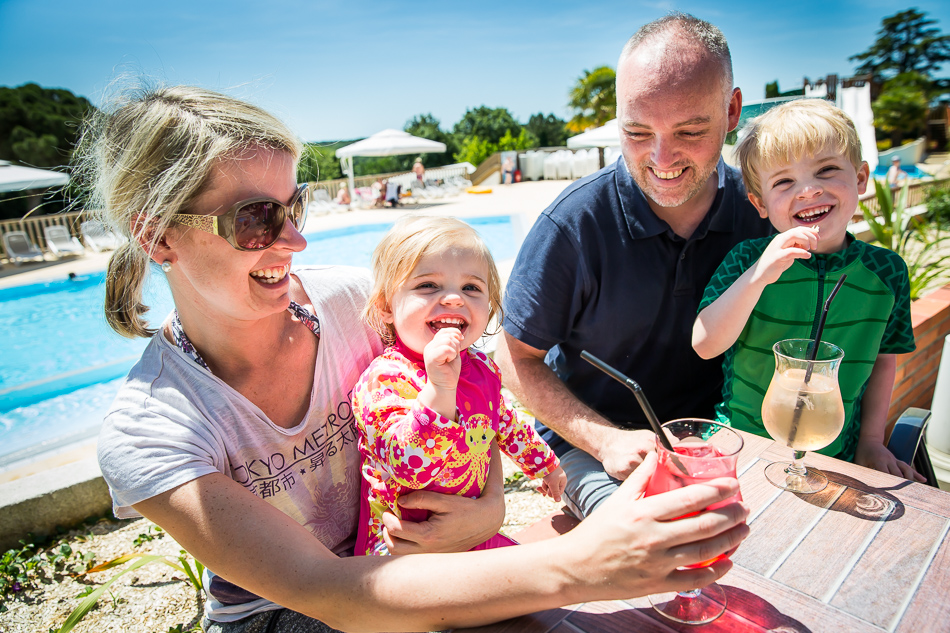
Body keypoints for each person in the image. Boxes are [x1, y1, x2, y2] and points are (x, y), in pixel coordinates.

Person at [85, 84, 749, 633]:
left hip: (408, 555)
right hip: (291, 612)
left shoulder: (349, 303)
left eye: (295, 204)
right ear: (157, 233)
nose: (296, 237)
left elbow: (469, 404)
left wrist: (489, 506)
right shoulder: (151, 430)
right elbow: (328, 590)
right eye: (256, 218)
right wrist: (583, 561)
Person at [494, 12, 774, 521]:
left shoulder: (760, 211)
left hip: (720, 437)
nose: (662, 158)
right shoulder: (574, 224)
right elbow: (512, 356)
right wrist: (604, 440)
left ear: (732, 110)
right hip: (598, 452)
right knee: (641, 540)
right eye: (638, 131)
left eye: (690, 130)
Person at [692, 99, 922, 481]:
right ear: (759, 203)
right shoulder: (746, 259)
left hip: (836, 455)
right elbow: (704, 344)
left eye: (827, 170)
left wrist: (871, 440)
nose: (809, 190)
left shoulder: (887, 272)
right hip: (741, 446)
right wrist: (760, 275)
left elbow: (884, 360)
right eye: (784, 182)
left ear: (861, 178)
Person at [352, 216, 566, 556]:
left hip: (470, 529)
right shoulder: (386, 379)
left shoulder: (481, 367)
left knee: (529, 578)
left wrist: (544, 464)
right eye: (428, 286)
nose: (453, 299)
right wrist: (439, 390)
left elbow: (504, 422)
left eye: (471, 288)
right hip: (402, 544)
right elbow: (407, 466)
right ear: (385, 307)